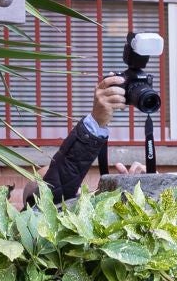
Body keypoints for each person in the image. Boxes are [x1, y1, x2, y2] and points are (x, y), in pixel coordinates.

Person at [36, 73, 148, 205]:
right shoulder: (56, 208)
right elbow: (54, 190)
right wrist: (96, 121)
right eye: (79, 191)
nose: (80, 191)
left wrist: (151, 186)